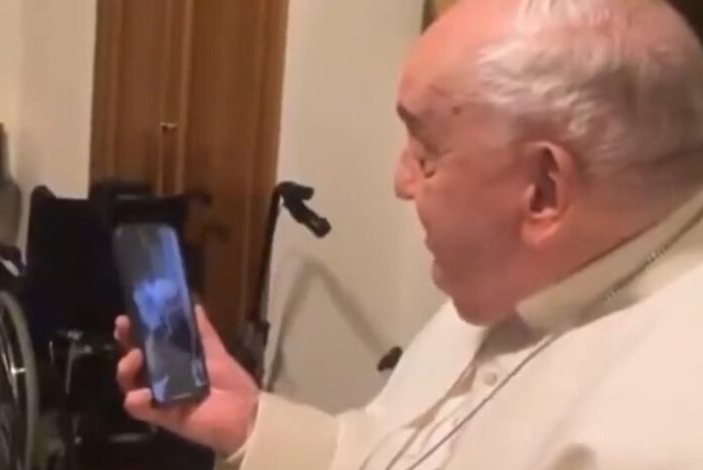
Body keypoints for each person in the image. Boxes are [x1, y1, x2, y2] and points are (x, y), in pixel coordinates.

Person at [115, 0, 703, 468]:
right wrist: (249, 425)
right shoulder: (524, 271)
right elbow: (384, 450)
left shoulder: (666, 429)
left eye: (427, 153)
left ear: (544, 190)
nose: (401, 182)